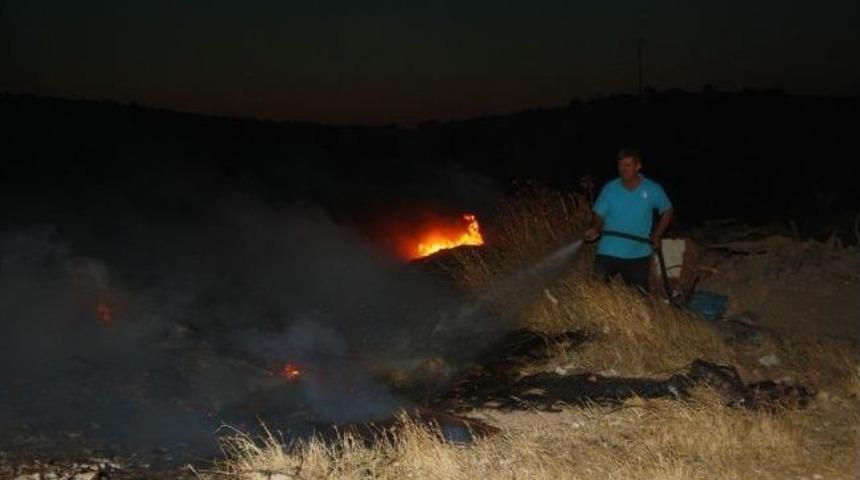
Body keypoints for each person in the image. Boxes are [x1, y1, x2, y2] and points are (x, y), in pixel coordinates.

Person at [584, 148, 673, 291]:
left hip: (638, 252)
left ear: (638, 167)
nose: (623, 169)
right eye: (620, 165)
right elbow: (598, 214)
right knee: (595, 290)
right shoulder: (610, 188)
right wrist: (596, 227)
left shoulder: (652, 189)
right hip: (609, 249)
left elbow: (668, 210)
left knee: (640, 298)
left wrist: (657, 235)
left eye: (627, 165)